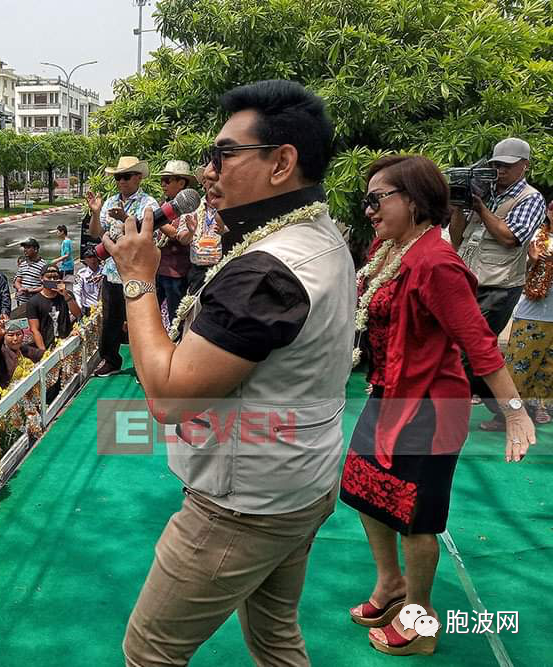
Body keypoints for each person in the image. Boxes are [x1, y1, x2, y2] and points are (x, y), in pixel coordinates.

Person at [107, 80, 352, 666]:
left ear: (282, 163)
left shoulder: (269, 270)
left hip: (244, 502)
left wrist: (138, 281)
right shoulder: (318, 235)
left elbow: (168, 396)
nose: (205, 170)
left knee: (149, 652)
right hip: (301, 481)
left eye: (223, 154)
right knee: (275, 637)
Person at [343, 155, 534, 656]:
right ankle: (390, 585)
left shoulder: (437, 262)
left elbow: (479, 342)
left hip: (430, 406)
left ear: (414, 200)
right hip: (388, 393)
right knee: (365, 490)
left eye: (376, 198)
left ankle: (420, 618)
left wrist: (514, 410)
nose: (368, 210)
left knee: (416, 514)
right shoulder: (390, 251)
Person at [449, 138, 547, 430]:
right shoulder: (484, 192)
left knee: (468, 353)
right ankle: (511, 410)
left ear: (524, 165)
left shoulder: (531, 198)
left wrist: (480, 208)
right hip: (468, 280)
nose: (499, 170)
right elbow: (456, 238)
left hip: (499, 288)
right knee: (480, 354)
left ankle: (444, 413)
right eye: (496, 165)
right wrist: (458, 206)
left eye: (507, 165)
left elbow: (509, 237)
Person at [86, 155, 160, 377]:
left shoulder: (149, 204)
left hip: (138, 273)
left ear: (138, 178)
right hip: (112, 272)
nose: (122, 182)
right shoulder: (109, 201)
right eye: (118, 177)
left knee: (142, 321)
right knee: (110, 319)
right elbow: (95, 233)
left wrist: (127, 217)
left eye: (126, 177)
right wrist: (96, 212)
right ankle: (111, 360)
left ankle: (143, 366)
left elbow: (148, 236)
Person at [506, 199, 553, 423]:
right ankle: (508, 413)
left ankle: (540, 407)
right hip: (531, 311)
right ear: (548, 212)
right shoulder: (534, 237)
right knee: (519, 363)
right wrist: (532, 260)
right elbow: (515, 272)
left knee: (549, 367)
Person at [154, 160, 196, 323]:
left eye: (167, 180)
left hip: (177, 273)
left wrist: (156, 220)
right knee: (152, 316)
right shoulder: (163, 204)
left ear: (181, 183)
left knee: (175, 320)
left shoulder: (190, 206)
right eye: (162, 180)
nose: (163, 184)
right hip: (158, 270)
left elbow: (177, 234)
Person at [26, 266, 82, 353]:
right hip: (48, 345)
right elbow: (34, 329)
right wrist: (43, 352)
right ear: (41, 278)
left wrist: (66, 295)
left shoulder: (65, 296)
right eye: (49, 277)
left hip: (66, 341)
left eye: (55, 277)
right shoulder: (33, 302)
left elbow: (78, 314)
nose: (52, 280)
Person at [13, 238, 46, 305]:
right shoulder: (23, 264)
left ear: (36, 249)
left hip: (36, 302)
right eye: (24, 248)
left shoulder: (43, 266)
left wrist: (31, 291)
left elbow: (46, 285)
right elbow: (17, 281)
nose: (25, 250)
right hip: (21, 303)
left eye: (28, 248)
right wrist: (20, 288)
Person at [72, 247, 103, 315]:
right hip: (88, 309)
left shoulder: (104, 272)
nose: (93, 260)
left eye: (94, 257)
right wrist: (79, 307)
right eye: (89, 257)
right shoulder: (81, 274)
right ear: (85, 260)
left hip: (103, 307)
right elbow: (77, 291)